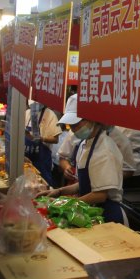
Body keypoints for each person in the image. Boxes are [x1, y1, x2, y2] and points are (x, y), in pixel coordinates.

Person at [38, 95, 127, 225]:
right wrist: (59, 191)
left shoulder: (105, 149)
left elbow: (100, 195)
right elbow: (87, 184)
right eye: (71, 124)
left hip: (107, 215)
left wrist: (65, 204)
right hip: (91, 211)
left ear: (93, 119)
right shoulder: (85, 144)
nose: (73, 128)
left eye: (76, 124)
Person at [24, 100, 62, 186]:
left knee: (42, 184)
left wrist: (40, 138)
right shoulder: (27, 113)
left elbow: (55, 139)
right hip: (27, 157)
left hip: (42, 159)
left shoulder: (50, 115)